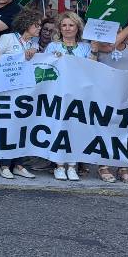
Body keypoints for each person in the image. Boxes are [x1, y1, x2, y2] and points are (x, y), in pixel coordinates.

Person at [40, 11, 95, 182]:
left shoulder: (85, 47)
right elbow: (45, 68)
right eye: (64, 25)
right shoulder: (53, 47)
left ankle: (72, 166)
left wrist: (94, 52)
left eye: (71, 25)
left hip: (79, 95)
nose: (67, 28)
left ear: (77, 27)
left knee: (75, 129)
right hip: (58, 95)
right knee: (58, 129)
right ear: (60, 28)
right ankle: (59, 165)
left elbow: (92, 70)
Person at [0, 9, 42, 180]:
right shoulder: (8, 38)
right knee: (9, 127)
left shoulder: (34, 43)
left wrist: (35, 51)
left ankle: (18, 164)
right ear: (27, 25)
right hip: (8, 92)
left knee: (23, 128)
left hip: (26, 93)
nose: (39, 28)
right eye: (36, 25)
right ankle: (4, 165)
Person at [94, 8, 128, 184]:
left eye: (120, 26)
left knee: (125, 130)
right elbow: (112, 45)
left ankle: (123, 167)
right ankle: (103, 166)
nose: (118, 29)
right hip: (106, 95)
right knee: (106, 129)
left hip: (127, 97)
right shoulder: (101, 46)